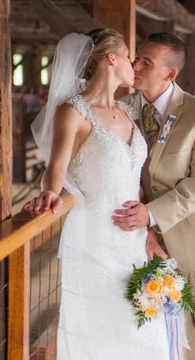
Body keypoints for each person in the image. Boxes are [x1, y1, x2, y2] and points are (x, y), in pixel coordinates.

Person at [22, 29, 171, 360]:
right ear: (111, 59)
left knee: (143, 333)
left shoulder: (128, 111)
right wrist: (49, 193)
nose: (135, 63)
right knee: (103, 334)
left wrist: (148, 231)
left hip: (132, 239)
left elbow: (135, 181)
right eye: (129, 54)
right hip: (95, 242)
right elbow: (56, 167)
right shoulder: (73, 111)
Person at [113, 33, 195, 360]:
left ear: (170, 74)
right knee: (176, 347)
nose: (136, 66)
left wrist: (150, 214)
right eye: (137, 57)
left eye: (147, 63)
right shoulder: (120, 111)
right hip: (145, 248)